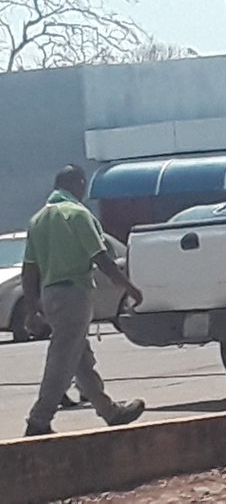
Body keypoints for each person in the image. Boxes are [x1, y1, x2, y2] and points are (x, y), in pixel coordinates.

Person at [21, 165, 146, 437]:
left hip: (51, 294)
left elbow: (29, 269)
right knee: (63, 358)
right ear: (77, 184)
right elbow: (100, 257)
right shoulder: (77, 215)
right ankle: (38, 420)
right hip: (73, 294)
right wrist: (128, 286)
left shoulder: (38, 220)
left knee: (80, 359)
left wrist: (32, 310)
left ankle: (110, 412)